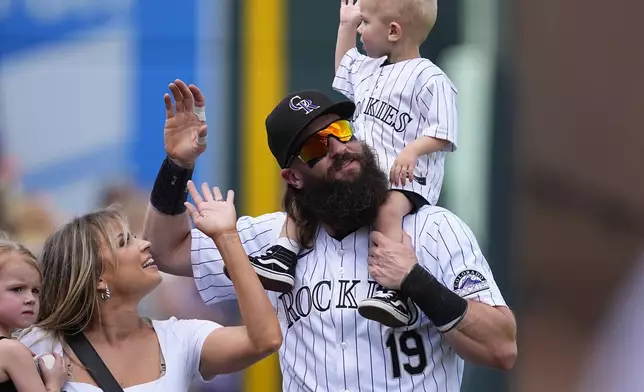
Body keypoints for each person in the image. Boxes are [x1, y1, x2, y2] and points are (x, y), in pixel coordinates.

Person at [143, 80, 517, 391]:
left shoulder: (433, 230)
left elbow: (502, 347)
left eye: (341, 131)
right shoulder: (275, 241)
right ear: (293, 177)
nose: (339, 149)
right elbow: (168, 250)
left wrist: (415, 281)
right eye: (315, 145)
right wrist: (178, 165)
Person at [245, 0, 458, 328]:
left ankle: (391, 292)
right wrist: (346, 24)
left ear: (393, 31)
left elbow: (445, 132)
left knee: (387, 211)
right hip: (372, 170)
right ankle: (284, 252)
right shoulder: (373, 69)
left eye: (365, 23)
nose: (360, 29)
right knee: (314, 198)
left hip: (408, 178)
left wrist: (414, 150)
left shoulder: (430, 77)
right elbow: (344, 67)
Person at [19, 160, 282, 389]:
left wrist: (227, 237)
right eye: (125, 241)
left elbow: (264, 340)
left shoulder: (179, 339)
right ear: (98, 277)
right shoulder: (39, 346)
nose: (144, 244)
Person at [0, 233, 66, 392]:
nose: (31, 299)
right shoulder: (12, 351)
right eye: (17, 289)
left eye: (36, 290)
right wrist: (54, 383)